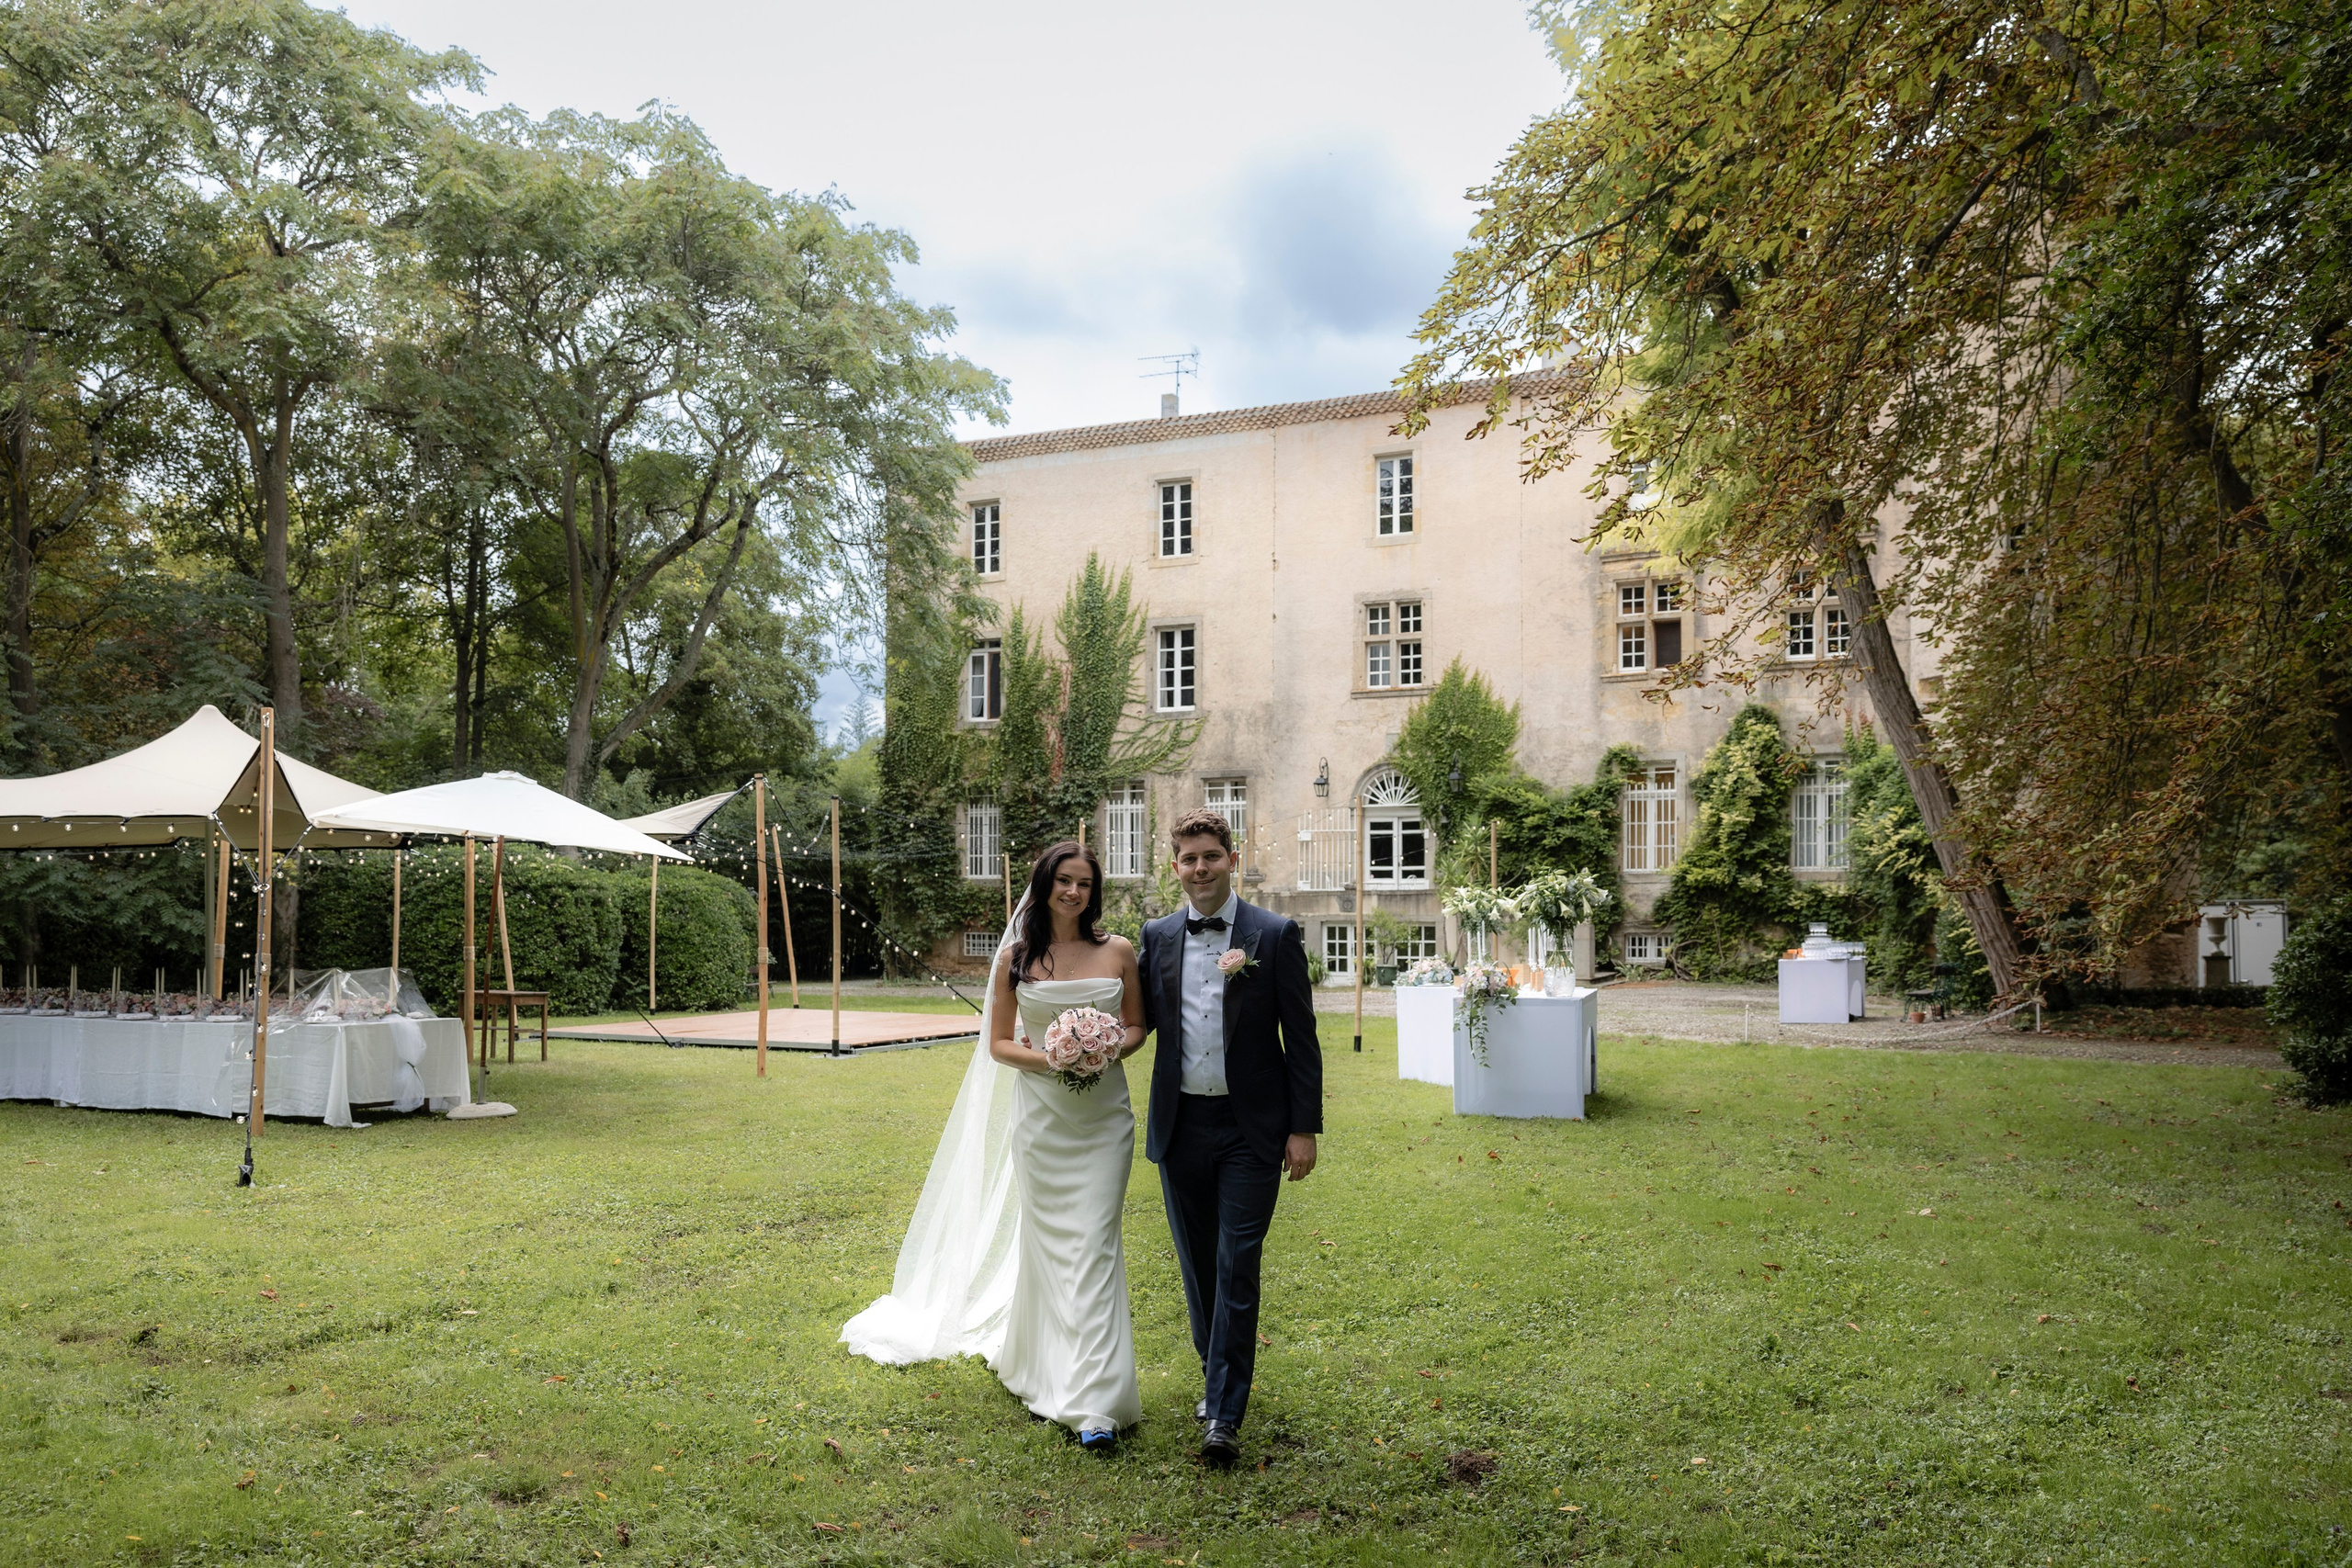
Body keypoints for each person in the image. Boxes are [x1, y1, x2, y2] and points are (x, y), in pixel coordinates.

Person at [841, 840, 1147, 1452]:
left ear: (1095, 892)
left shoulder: (1118, 951)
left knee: (1094, 1246)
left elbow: (1138, 1025)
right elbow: (999, 1043)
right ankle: (1036, 1364)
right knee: (1051, 1246)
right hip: (1044, 1124)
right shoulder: (1016, 957)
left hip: (1104, 1121)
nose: (1073, 892)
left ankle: (1095, 1402)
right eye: (1064, 880)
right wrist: (1056, 1055)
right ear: (1046, 882)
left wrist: (1104, 1049)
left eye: (1085, 883)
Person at [1138, 808, 1323, 1469]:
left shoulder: (1274, 934)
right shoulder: (1156, 937)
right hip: (1180, 1124)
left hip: (1253, 1131)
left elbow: (1300, 1041)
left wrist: (1302, 1127)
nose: (1199, 869)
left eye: (1210, 856)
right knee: (1199, 1269)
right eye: (1188, 859)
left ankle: (1223, 1413)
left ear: (1231, 858)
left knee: (1237, 1261)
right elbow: (1134, 1019)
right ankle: (1217, 1373)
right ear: (1176, 865)